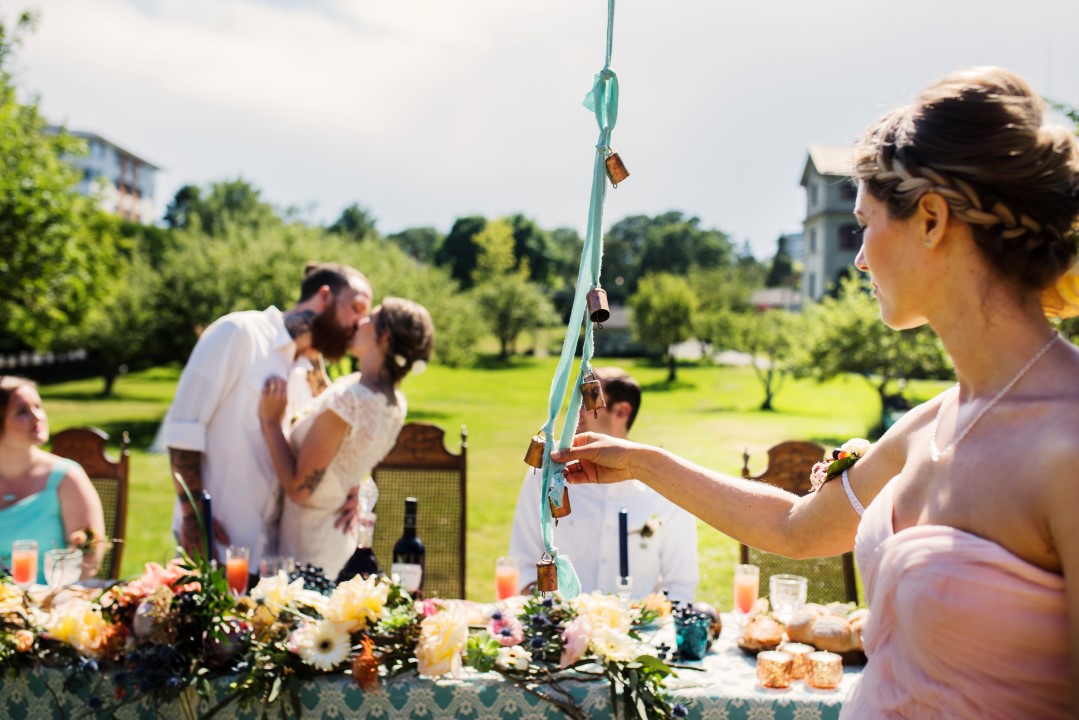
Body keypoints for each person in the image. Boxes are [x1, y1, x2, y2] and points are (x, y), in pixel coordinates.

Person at [554, 68, 1079, 718]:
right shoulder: (928, 427)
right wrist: (640, 461)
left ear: (931, 220)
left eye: (863, 223)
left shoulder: (1067, 438)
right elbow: (792, 528)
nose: (857, 258)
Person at [163, 262, 372, 567]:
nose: (359, 323)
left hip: (274, 561)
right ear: (324, 297)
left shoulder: (313, 374)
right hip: (214, 547)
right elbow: (183, 429)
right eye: (356, 308)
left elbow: (332, 445)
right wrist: (194, 518)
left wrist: (355, 491)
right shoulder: (238, 333)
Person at [258, 297, 435, 580]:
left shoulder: (351, 401)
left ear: (384, 337)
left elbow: (299, 488)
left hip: (311, 548)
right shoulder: (392, 403)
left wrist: (270, 421)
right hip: (336, 537)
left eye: (370, 319)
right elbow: (348, 455)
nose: (360, 322)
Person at [509, 368, 699, 602]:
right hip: (558, 630)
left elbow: (680, 586)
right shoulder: (545, 476)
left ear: (621, 411)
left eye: (588, 398)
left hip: (639, 634)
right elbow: (523, 567)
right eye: (575, 400)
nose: (575, 411)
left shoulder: (665, 486)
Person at [0, 377, 106, 582]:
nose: (37, 417)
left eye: (38, 407)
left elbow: (88, 559)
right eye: (22, 411)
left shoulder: (67, 478)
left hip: (51, 603)